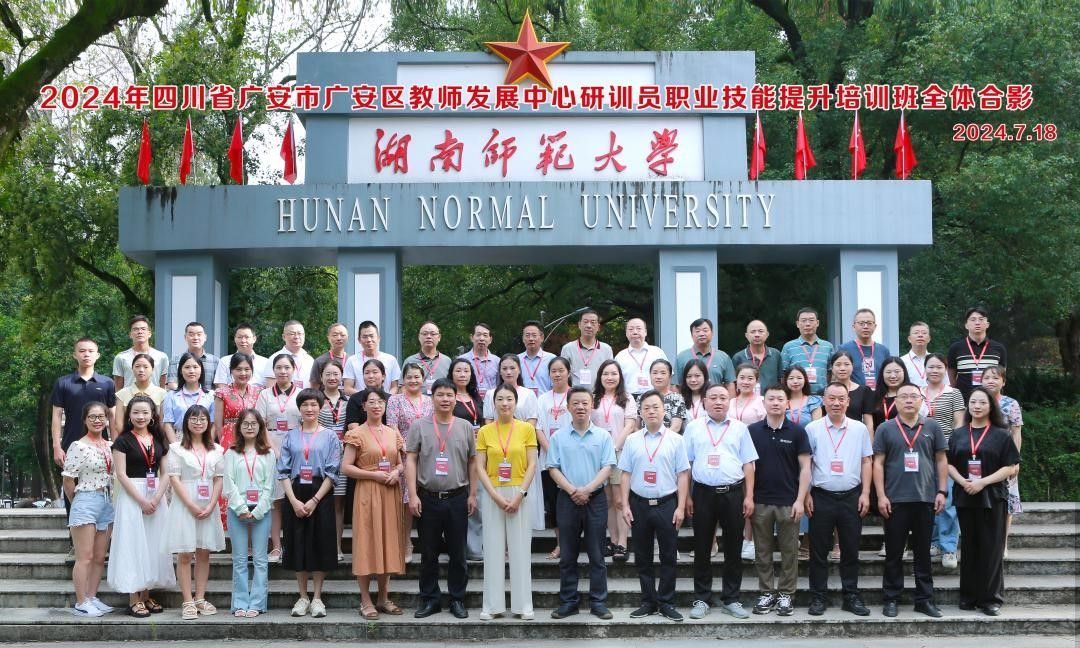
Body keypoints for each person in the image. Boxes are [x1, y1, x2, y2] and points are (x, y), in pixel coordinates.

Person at [873, 382, 948, 618]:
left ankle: (924, 599)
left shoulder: (932, 426)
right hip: (895, 499)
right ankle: (891, 598)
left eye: (913, 396)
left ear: (921, 401)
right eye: (903, 396)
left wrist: (942, 491)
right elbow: (878, 463)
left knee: (923, 553)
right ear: (895, 402)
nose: (908, 400)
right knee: (894, 553)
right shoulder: (885, 428)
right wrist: (881, 495)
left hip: (925, 498)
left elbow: (941, 460)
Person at [683, 384, 756, 620]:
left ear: (729, 401)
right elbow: (686, 465)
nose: (718, 402)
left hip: (732, 493)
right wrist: (687, 496)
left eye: (723, 398)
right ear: (704, 401)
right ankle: (702, 598)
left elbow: (748, 464)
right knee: (702, 547)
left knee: (733, 548)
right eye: (713, 398)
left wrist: (749, 496)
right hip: (702, 493)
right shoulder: (693, 427)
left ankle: (731, 599)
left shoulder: (740, 428)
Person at [407, 378, 478, 619]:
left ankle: (457, 599)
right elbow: (411, 460)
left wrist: (473, 494)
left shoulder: (465, 426)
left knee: (458, 553)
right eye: (440, 395)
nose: (445, 399)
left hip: (457, 498)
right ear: (432, 397)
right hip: (428, 498)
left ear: (455, 398)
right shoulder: (419, 426)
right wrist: (412, 494)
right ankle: (430, 599)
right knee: (429, 553)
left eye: (449, 395)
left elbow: (473, 461)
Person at [946, 387, 1020, 616]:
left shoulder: (1002, 434)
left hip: (992, 496)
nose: (977, 406)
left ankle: (991, 599)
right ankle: (968, 596)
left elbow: (1010, 467)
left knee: (992, 547)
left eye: (982, 402)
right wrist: (963, 481)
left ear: (991, 406)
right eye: (973, 402)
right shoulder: (958, 434)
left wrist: (982, 482)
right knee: (969, 547)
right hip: (965, 495)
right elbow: (948, 463)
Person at [619, 390, 690, 622]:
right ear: (640, 412)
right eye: (646, 407)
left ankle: (666, 602)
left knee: (669, 556)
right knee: (643, 556)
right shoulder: (632, 440)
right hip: (639, 504)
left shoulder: (676, 440)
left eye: (655, 407)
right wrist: (625, 505)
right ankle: (648, 601)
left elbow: (683, 475)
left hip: (667, 504)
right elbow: (625, 473)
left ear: (664, 410)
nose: (651, 411)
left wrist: (681, 507)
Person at [546, 386, 616, 620]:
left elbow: (608, 466)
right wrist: (573, 490)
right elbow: (553, 468)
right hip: (567, 500)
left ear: (592, 405)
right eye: (575, 403)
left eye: (585, 403)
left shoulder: (603, 436)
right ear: (568, 407)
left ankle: (598, 602)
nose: (580, 407)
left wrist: (587, 489)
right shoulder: (558, 437)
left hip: (595, 499)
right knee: (567, 555)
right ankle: (569, 602)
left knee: (597, 555)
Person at [804, 382, 873, 617]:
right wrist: (806, 494)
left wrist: (865, 493)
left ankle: (851, 596)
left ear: (848, 401)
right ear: (824, 401)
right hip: (821, 496)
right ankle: (818, 596)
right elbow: (806, 464)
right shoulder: (812, 428)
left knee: (851, 549)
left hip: (851, 496)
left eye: (841, 399)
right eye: (831, 398)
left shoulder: (859, 429)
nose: (836, 403)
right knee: (818, 551)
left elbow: (866, 461)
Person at [474, 383, 538, 620]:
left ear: (516, 402)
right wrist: (495, 496)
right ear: (493, 403)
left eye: (509, 399)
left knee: (520, 550)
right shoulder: (485, 431)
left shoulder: (526, 429)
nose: (504, 403)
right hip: (493, 493)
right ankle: (492, 606)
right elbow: (480, 467)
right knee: (493, 550)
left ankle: (524, 606)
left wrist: (520, 494)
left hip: (519, 492)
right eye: (500, 399)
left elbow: (532, 463)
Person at [342, 387, 407, 620]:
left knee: (387, 542)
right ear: (364, 406)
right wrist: (373, 475)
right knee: (367, 543)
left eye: (380, 401)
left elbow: (400, 462)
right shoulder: (356, 433)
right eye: (372, 402)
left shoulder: (392, 433)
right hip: (367, 492)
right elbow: (346, 467)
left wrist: (397, 471)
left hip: (389, 491)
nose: (377, 405)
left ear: (385, 405)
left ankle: (383, 597)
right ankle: (365, 600)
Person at [277, 389, 342, 618]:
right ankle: (302, 596)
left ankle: (317, 598)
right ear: (299, 408)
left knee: (320, 542)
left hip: (321, 492)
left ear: (320, 407)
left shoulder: (330, 436)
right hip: (295, 492)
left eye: (314, 404)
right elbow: (283, 471)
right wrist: (293, 501)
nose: (309, 409)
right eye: (305, 405)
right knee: (298, 543)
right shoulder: (290, 436)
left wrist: (315, 500)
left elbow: (333, 472)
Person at [107, 394, 174, 617]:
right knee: (132, 544)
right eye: (136, 412)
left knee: (152, 544)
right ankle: (133, 598)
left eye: (145, 412)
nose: (140, 416)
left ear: (152, 415)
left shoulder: (159, 439)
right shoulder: (122, 441)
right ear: (129, 415)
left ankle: (146, 594)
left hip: (156, 496)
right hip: (132, 496)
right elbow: (121, 474)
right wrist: (142, 501)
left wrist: (156, 498)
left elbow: (166, 473)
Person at [747, 385, 811, 617]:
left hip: (789, 501)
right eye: (771, 399)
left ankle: (786, 594)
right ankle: (766, 592)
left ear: (787, 403)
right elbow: (747, 466)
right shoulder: (752, 431)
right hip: (760, 501)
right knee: (762, 551)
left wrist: (800, 500)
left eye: (780, 399)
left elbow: (805, 468)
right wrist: (748, 497)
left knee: (789, 551)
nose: (775, 403)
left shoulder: (797, 432)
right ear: (764, 402)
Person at [162, 404, 225, 620]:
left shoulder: (217, 449)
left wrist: (211, 504)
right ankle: (187, 600)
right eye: (194, 419)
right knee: (185, 553)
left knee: (204, 552)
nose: (198, 423)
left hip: (208, 504)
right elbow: (174, 478)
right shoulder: (176, 448)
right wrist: (190, 505)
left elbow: (219, 479)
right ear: (186, 422)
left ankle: (200, 597)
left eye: (202, 419)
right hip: (184, 503)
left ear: (208, 423)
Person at [62, 402, 115, 617]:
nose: (97, 420)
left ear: (107, 419)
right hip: (86, 499)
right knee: (84, 556)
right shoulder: (78, 446)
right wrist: (77, 502)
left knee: (100, 556)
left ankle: (92, 596)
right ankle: (81, 601)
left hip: (107, 501)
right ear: (84, 420)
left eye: (101, 416)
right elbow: (68, 480)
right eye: (92, 416)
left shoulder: (110, 445)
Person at [222, 408, 276, 618]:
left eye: (254, 423)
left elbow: (270, 486)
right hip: (238, 510)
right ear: (239, 427)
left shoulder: (268, 453)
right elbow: (229, 484)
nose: (250, 427)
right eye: (245, 424)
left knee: (261, 559)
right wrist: (241, 509)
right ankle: (240, 603)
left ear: (260, 427)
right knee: (240, 559)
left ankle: (257, 602)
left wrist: (259, 510)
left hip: (262, 510)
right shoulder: (231, 453)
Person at [255, 353, 302, 561]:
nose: (283, 371)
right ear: (273, 370)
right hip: (271, 447)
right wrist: (274, 450)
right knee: (275, 500)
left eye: (287, 367)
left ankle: (294, 545)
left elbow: (306, 421)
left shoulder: (301, 394)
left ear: (293, 370)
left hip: (297, 448)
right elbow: (260, 424)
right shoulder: (265, 395)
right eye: (279, 368)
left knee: (295, 498)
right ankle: (276, 546)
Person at [591, 358, 638, 563]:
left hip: (620, 453)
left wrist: (615, 446)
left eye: (614, 374)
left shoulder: (627, 398)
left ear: (620, 377)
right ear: (599, 377)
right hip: (598, 454)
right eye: (605, 374)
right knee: (608, 500)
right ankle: (612, 540)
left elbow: (630, 426)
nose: (609, 377)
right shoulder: (593, 398)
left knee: (620, 500)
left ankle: (623, 543)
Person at [923, 353, 966, 569]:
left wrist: (953, 450)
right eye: (931, 366)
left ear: (945, 369)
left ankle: (949, 547)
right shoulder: (917, 392)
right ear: (924, 369)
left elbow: (959, 424)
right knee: (928, 499)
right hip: (922, 453)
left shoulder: (954, 393)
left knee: (948, 500)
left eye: (939, 367)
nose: (934, 370)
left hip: (946, 452)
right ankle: (934, 541)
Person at [386, 362, 431, 563]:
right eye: (409, 377)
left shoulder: (430, 400)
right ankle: (405, 542)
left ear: (423, 379)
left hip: (429, 454)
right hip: (404, 454)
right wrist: (406, 446)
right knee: (406, 501)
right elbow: (392, 426)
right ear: (403, 380)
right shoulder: (395, 400)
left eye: (417, 377)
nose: (413, 380)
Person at [213, 353, 263, 534]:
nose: (243, 373)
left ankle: (251, 517)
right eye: (238, 369)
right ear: (231, 371)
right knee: (229, 478)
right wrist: (223, 443)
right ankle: (227, 522)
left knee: (250, 476)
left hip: (252, 439)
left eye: (247, 369)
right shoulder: (222, 392)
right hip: (229, 439)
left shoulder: (258, 392)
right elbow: (218, 424)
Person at [51, 338, 116, 475]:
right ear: (75, 355)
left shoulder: (108, 383)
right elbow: (56, 416)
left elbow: (113, 416)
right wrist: (56, 446)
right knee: (70, 482)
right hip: (71, 443)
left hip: (100, 445)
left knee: (101, 483)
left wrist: (116, 446)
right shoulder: (63, 383)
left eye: (91, 351)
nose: (86, 354)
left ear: (97, 355)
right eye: (82, 351)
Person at [981, 365, 1024, 557]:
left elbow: (1016, 433)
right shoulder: (977, 401)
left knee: (1007, 504)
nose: (991, 381)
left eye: (995, 378)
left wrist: (1015, 461)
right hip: (980, 459)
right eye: (987, 377)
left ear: (1003, 382)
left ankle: (1002, 544)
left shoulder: (1011, 404)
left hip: (1005, 459)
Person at [447, 357, 485, 562]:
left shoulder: (477, 398)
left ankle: (474, 547)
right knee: (456, 501)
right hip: (454, 451)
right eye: (458, 371)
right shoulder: (448, 397)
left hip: (477, 453)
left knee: (476, 498)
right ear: (451, 374)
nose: (462, 374)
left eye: (466, 371)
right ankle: (455, 546)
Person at [783, 365, 823, 559]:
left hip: (808, 452)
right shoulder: (782, 400)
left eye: (799, 377)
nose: (795, 381)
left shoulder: (813, 401)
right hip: (786, 454)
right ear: (786, 381)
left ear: (805, 380)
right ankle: (790, 540)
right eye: (791, 378)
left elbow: (817, 427)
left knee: (808, 495)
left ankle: (806, 543)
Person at [537, 356, 573, 545]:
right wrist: (552, 451)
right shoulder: (542, 399)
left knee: (572, 502)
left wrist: (565, 453)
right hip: (548, 460)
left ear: (568, 372)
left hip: (572, 458)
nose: (557, 374)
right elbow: (538, 428)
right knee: (554, 503)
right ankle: (560, 544)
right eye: (553, 371)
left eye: (561, 370)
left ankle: (572, 543)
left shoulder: (576, 395)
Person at [317, 360, 350, 562]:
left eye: (335, 374)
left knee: (339, 504)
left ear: (341, 377)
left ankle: (337, 547)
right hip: (321, 457)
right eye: (328, 374)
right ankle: (322, 546)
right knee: (321, 501)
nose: (332, 378)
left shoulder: (349, 401)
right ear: (321, 377)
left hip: (344, 457)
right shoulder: (315, 400)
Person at [947, 306, 1007, 399]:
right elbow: (951, 375)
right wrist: (956, 394)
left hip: (990, 400)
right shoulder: (955, 348)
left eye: (981, 319)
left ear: (987, 324)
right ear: (966, 325)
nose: (977, 323)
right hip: (963, 400)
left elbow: (1002, 375)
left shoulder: (999, 348)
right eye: (973, 319)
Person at [162, 352, 215, 443]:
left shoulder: (211, 396)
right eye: (187, 367)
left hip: (204, 440)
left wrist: (208, 444)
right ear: (180, 371)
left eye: (195, 367)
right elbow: (168, 424)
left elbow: (214, 424)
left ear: (201, 370)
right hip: (179, 440)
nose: (191, 371)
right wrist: (175, 447)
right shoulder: (171, 396)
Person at [781, 307, 834, 395]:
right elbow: (783, 375)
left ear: (817, 323)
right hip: (797, 397)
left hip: (822, 397)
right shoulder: (788, 347)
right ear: (797, 324)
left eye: (811, 320)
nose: (807, 324)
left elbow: (831, 374)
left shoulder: (828, 347)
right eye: (804, 320)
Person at [674, 317, 735, 393]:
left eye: (705, 330)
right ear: (692, 335)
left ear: (712, 333)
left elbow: (730, 384)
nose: (701, 334)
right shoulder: (682, 357)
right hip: (690, 399)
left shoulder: (723, 357)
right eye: (697, 331)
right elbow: (676, 385)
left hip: (715, 399)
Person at [481, 354, 541, 427]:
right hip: (497, 433)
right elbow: (489, 421)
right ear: (500, 372)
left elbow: (531, 421)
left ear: (519, 370)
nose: (508, 372)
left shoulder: (528, 394)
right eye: (504, 368)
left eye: (512, 368)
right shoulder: (490, 394)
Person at [560, 309, 614, 388]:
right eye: (585, 322)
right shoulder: (568, 348)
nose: (589, 325)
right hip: (575, 393)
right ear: (579, 325)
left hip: (599, 393)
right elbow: (562, 374)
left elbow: (610, 373)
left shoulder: (606, 349)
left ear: (598, 327)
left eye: (593, 322)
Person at [839, 309, 892, 389]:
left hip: (879, 394)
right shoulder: (844, 349)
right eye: (861, 323)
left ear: (875, 326)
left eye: (869, 323)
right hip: (853, 394)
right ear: (854, 327)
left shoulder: (883, 350)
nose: (865, 327)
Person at [615, 318, 668, 398]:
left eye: (639, 328)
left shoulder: (658, 352)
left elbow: (668, 376)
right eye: (631, 329)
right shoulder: (620, 356)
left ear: (645, 332)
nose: (635, 332)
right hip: (628, 399)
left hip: (655, 397)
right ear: (626, 333)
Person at [112, 315, 169, 390]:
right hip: (129, 397)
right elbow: (118, 389)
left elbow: (163, 387)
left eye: (143, 329)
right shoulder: (121, 357)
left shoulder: (161, 357)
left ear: (149, 333)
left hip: (154, 397)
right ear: (130, 334)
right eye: (135, 329)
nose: (140, 332)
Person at [114, 353, 167, 434]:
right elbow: (119, 424)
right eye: (137, 366)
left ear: (152, 369)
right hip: (128, 439)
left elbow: (163, 424)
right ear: (132, 369)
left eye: (146, 367)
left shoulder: (163, 394)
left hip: (155, 438)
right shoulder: (121, 394)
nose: (141, 370)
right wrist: (128, 439)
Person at [344, 320, 402, 395]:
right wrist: (367, 398)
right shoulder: (352, 360)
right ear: (359, 340)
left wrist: (386, 398)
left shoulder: (391, 360)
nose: (369, 340)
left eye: (371, 336)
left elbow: (395, 387)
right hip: (361, 401)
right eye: (365, 337)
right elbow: (348, 388)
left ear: (378, 338)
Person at [732, 320, 782, 394]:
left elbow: (781, 380)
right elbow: (733, 384)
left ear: (767, 334)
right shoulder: (738, 357)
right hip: (746, 399)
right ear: (746, 335)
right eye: (753, 332)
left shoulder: (776, 354)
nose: (757, 335)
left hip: (771, 398)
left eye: (760, 331)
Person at [213, 323, 270, 389]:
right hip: (231, 395)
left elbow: (269, 387)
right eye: (239, 337)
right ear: (235, 339)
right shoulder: (225, 361)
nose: (243, 341)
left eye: (247, 337)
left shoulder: (265, 362)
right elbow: (221, 386)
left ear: (254, 339)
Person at [261, 320, 315, 390]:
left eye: (300, 333)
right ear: (284, 337)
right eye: (292, 333)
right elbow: (270, 388)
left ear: (304, 335)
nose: (296, 337)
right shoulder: (274, 358)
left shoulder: (310, 360)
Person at [829, 350, 875, 431]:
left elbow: (868, 423)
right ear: (832, 368)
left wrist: (869, 439)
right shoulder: (824, 392)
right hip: (830, 435)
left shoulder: (864, 391)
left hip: (856, 434)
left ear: (852, 366)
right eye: (838, 365)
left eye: (846, 364)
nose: (842, 368)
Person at [166, 321, 219, 391]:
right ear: (185, 337)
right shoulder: (175, 360)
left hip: (209, 397)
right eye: (191, 335)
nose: (195, 338)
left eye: (199, 334)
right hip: (182, 397)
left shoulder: (215, 361)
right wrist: (189, 394)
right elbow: (172, 384)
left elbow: (218, 387)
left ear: (205, 337)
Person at [403, 321, 452, 393]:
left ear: (439, 337)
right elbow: (403, 387)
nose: (428, 336)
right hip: (416, 400)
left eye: (433, 334)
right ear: (419, 337)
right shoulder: (409, 361)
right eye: (425, 334)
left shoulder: (447, 361)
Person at [902, 321, 948, 388]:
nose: (920, 335)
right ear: (909, 339)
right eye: (916, 333)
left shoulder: (937, 361)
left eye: (924, 333)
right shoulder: (902, 361)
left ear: (929, 339)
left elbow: (946, 385)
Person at [459, 322, 499, 400]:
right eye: (478, 334)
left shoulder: (497, 361)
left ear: (490, 339)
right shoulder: (461, 360)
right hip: (468, 402)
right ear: (472, 337)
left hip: (491, 403)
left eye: (485, 335)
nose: (481, 338)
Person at [308, 323, 350, 391]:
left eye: (342, 335)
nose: (339, 338)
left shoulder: (351, 360)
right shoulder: (320, 361)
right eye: (335, 335)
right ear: (328, 338)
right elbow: (314, 389)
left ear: (347, 337)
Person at [519, 320, 556, 395]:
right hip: (522, 401)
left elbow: (556, 385)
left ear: (542, 338)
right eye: (527, 335)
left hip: (545, 401)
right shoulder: (517, 360)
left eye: (534, 335)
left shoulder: (551, 359)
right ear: (523, 338)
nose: (531, 339)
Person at [650, 359, 686, 434]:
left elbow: (676, 427)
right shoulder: (642, 398)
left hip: (669, 439)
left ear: (670, 377)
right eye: (655, 373)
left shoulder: (677, 398)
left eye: (663, 373)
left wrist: (658, 438)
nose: (658, 376)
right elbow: (636, 426)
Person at [679, 359, 711, 424]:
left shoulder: (711, 397)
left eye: (697, 376)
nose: (693, 380)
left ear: (705, 376)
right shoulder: (680, 399)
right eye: (689, 376)